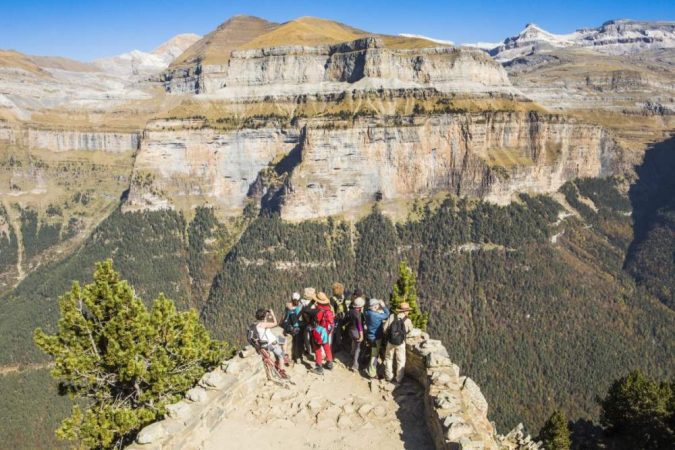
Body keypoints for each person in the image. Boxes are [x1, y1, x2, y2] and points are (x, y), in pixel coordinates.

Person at [383, 302, 414, 383]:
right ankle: (398, 379)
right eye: (408, 310)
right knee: (401, 360)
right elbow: (410, 331)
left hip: (390, 342)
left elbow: (384, 328)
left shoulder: (392, 316)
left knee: (389, 359)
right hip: (401, 343)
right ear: (405, 311)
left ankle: (388, 376)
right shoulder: (407, 320)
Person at [308, 292, 335, 374]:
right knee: (327, 347)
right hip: (326, 332)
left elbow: (313, 318)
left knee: (317, 349)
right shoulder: (329, 309)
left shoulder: (318, 311)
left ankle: (319, 367)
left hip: (318, 332)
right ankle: (329, 363)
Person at [364, 298, 389, 378]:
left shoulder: (367, 312)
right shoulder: (375, 315)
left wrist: (377, 310)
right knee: (374, 355)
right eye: (378, 304)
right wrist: (384, 306)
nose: (379, 305)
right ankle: (372, 373)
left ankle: (367, 366)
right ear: (374, 306)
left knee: (371, 352)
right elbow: (387, 314)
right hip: (375, 338)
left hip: (369, 336)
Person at [281, 292, 303, 363]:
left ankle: (294, 356)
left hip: (288, 327)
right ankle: (298, 357)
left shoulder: (288, 306)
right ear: (299, 299)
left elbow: (284, 317)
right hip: (296, 327)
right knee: (298, 341)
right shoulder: (299, 307)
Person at [347, 296, 365, 371]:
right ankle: (355, 365)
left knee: (353, 343)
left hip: (350, 330)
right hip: (356, 332)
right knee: (358, 348)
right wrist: (361, 335)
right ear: (360, 306)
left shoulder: (350, 311)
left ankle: (351, 354)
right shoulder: (358, 314)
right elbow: (359, 326)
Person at [330, 282, 346, 352]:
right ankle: (340, 344)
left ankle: (333, 346)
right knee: (339, 331)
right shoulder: (343, 298)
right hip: (342, 317)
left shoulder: (332, 299)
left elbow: (331, 309)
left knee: (333, 332)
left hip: (335, 317)